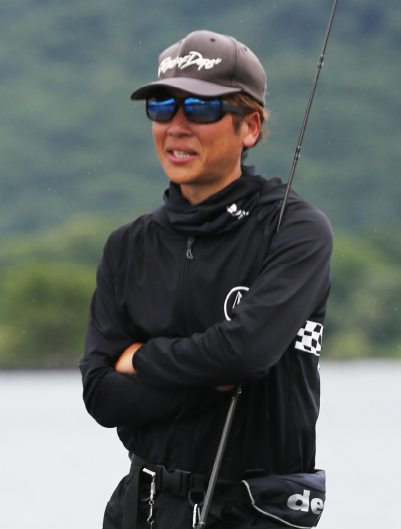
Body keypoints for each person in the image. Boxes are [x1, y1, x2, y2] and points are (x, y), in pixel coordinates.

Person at [80, 29, 333, 529]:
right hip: (143, 508)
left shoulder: (296, 230)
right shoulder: (126, 247)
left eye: (200, 108)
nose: (176, 126)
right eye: (162, 108)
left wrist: (141, 359)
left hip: (254, 512)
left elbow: (244, 353)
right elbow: (101, 394)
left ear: (250, 127)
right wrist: (211, 379)